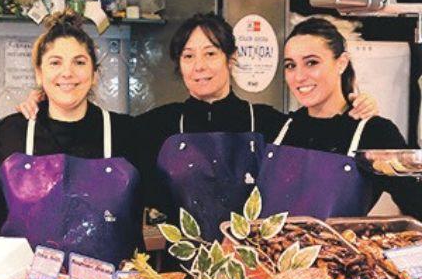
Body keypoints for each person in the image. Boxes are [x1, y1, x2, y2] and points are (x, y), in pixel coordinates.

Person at [141, 12, 375, 238]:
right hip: (180, 271)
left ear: (231, 58)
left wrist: (355, 106)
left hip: (253, 265)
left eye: (210, 54)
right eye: (188, 56)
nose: (199, 66)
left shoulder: (272, 124)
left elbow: (323, 134)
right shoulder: (158, 124)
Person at [0, 12, 151, 265]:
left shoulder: (128, 132)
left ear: (95, 74)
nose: (67, 73)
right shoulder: (12, 132)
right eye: (55, 63)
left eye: (79, 62)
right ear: (38, 73)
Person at [255, 16, 422, 219]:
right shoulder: (276, 127)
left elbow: (415, 202)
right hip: (269, 250)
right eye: (291, 65)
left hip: (337, 251)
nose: (299, 76)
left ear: (341, 63)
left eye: (311, 62)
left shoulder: (374, 133)